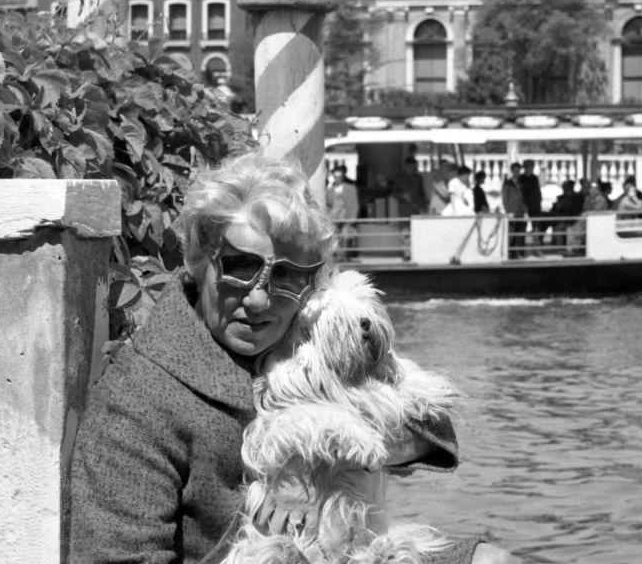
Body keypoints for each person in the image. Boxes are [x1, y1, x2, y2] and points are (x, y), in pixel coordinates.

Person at [68, 153, 514, 564]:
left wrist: (311, 458)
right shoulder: (136, 401)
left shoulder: (306, 338)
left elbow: (436, 432)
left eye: (286, 274)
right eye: (240, 267)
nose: (260, 298)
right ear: (200, 259)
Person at [327, 165, 359, 261]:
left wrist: (353, 217)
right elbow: (327, 205)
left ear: (343, 176)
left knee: (346, 236)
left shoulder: (350, 188)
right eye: (336, 176)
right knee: (335, 238)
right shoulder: (329, 191)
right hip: (334, 218)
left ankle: (344, 257)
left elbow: (354, 203)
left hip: (346, 217)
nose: (338, 179)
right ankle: (338, 257)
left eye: (340, 176)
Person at [500, 163, 526, 257]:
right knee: (511, 233)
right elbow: (505, 198)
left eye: (518, 170)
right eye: (515, 170)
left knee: (521, 233)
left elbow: (524, 198)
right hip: (512, 211)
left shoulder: (522, 183)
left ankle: (520, 253)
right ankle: (510, 253)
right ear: (512, 171)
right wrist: (508, 211)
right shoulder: (508, 183)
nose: (517, 172)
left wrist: (526, 212)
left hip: (521, 211)